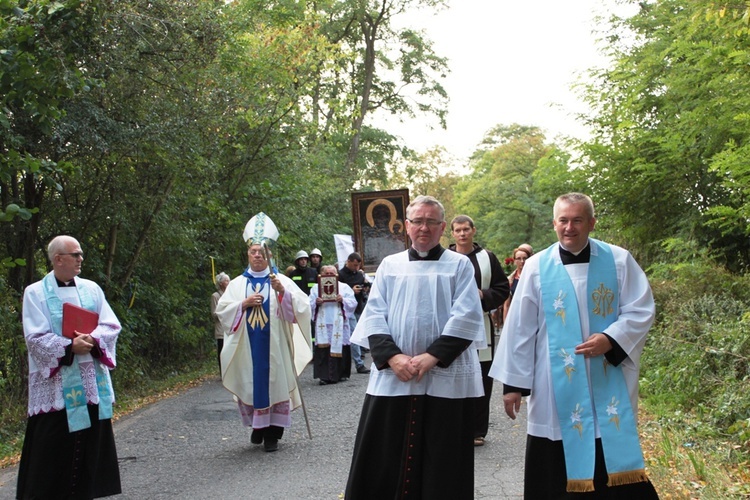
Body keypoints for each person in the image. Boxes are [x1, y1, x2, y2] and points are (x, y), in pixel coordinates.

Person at [489, 193, 659, 497]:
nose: (570, 227)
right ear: (554, 223)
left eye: (577, 220)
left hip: (606, 376)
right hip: (554, 383)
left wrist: (611, 338)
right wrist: (513, 385)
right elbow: (520, 328)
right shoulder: (538, 266)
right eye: (563, 220)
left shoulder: (618, 260)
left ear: (591, 223)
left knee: (606, 436)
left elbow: (641, 309)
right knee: (555, 452)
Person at [345, 195, 486, 499]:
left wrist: (431, 357)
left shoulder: (459, 265)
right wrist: (393, 357)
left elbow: (467, 316)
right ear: (406, 226)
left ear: (442, 227)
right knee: (383, 454)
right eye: (418, 221)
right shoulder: (389, 265)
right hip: (395, 375)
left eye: (431, 222)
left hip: (442, 376)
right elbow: (374, 313)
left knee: (443, 459)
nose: (424, 228)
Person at [17, 235, 122, 499]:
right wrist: (67, 347)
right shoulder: (35, 293)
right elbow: (35, 337)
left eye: (80, 254)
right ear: (58, 259)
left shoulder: (92, 289)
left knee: (89, 446)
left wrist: (93, 340)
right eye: (75, 254)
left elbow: (111, 324)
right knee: (52, 449)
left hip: (89, 382)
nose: (80, 259)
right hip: (57, 387)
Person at [216, 213, 312, 452]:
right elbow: (223, 311)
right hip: (248, 348)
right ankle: (258, 428)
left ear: (270, 255)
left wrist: (283, 293)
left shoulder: (281, 280)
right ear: (248, 254)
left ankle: (273, 435)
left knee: (276, 383)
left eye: (262, 252)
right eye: (253, 252)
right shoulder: (237, 284)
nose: (257, 255)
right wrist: (243, 304)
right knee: (252, 383)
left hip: (276, 348)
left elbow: (302, 309)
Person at [448, 215, 509, 447]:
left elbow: (503, 288)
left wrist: (484, 295)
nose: (462, 234)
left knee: (482, 377)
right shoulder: (444, 258)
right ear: (452, 234)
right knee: (451, 374)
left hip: (481, 324)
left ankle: (477, 430)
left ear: (473, 230)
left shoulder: (487, 258)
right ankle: (453, 427)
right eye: (458, 230)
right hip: (450, 326)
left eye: (466, 229)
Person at [309, 265, 357, 385]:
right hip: (323, 322)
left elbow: (353, 303)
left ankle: (341, 374)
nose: (330, 275)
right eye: (327, 273)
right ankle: (324, 376)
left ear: (337, 275)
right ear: (322, 274)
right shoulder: (316, 288)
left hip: (339, 322)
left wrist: (343, 300)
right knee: (324, 350)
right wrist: (316, 302)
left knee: (340, 346)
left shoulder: (344, 287)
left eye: (332, 273)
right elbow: (308, 303)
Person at [337, 252, 370, 375]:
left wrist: (364, 289)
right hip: (346, 309)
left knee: (359, 333)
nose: (356, 268)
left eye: (358, 266)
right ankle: (359, 363)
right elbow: (338, 291)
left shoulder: (359, 275)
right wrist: (351, 291)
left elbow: (363, 288)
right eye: (354, 265)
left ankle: (359, 356)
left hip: (358, 307)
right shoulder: (340, 275)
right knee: (353, 334)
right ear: (348, 261)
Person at [502, 245, 533, 323]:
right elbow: (507, 305)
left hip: (531, 317)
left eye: (525, 258)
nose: (522, 261)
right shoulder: (510, 280)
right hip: (515, 318)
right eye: (519, 259)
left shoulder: (534, 278)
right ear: (514, 260)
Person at [211, 272, 230, 374]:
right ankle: (223, 372)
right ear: (221, 283)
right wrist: (226, 311)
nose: (228, 282)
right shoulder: (215, 296)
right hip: (221, 329)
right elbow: (214, 314)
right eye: (226, 280)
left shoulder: (231, 294)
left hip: (231, 327)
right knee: (222, 351)